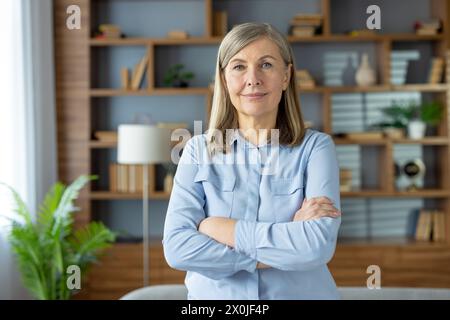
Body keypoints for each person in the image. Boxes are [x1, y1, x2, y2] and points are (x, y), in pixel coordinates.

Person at [163, 22, 342, 300]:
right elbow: (177, 248)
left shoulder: (316, 148)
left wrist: (218, 228)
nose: (253, 79)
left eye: (267, 65)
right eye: (238, 66)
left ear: (286, 75)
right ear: (224, 79)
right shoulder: (197, 151)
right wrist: (284, 240)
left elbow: (315, 247)